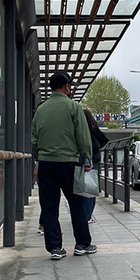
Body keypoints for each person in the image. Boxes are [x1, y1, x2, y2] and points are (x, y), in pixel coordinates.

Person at [31, 71, 97, 260]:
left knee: (49, 206)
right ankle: (82, 244)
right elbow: (83, 137)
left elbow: (34, 139)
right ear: (67, 87)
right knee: (76, 204)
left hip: (46, 164)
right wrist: (86, 160)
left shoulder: (41, 109)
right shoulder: (74, 107)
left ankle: (55, 249)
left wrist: (38, 160)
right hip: (69, 163)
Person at [83, 109, 109, 224]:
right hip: (93, 160)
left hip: (81, 160)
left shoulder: (80, 130)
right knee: (91, 188)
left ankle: (83, 214)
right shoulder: (94, 129)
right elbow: (104, 140)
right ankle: (88, 215)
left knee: (81, 188)